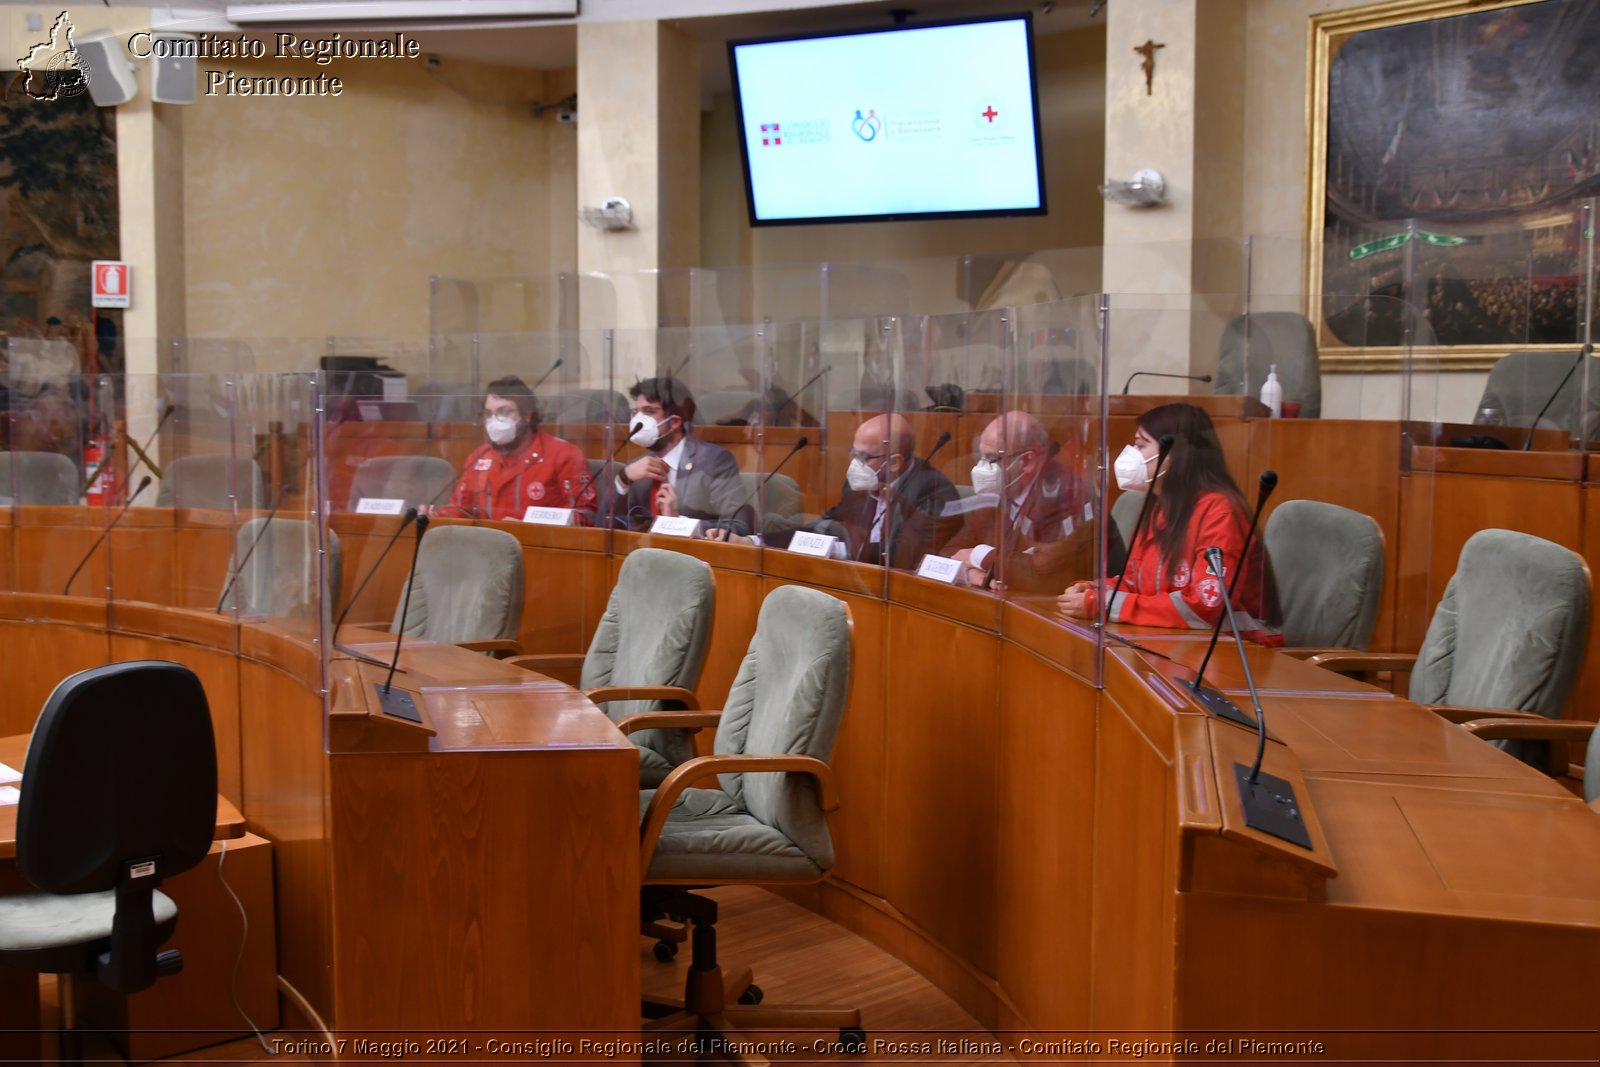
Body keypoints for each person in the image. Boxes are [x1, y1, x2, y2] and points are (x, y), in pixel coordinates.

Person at [1056, 402, 1281, 645]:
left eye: (1141, 445)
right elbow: (1135, 581)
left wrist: (1104, 604)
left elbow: (1205, 607)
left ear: (1175, 452)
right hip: (1181, 642)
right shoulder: (1160, 507)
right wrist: (1094, 590)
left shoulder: (1220, 511)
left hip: (1238, 651)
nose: (1130, 453)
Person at [706, 413, 958, 567]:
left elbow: (905, 556)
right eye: (853, 452)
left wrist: (836, 547)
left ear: (894, 461)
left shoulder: (934, 492)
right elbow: (830, 525)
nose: (854, 464)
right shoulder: (861, 480)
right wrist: (754, 542)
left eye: (864, 456)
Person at [943, 410, 1096, 594]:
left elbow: (1041, 576)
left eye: (991, 458)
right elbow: (948, 552)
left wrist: (977, 555)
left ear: (1027, 460)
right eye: (980, 458)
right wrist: (969, 573)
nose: (981, 469)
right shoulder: (997, 494)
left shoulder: (1066, 495)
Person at [434, 375, 596, 522]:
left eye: (503, 412)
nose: (494, 421)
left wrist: (529, 528)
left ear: (527, 415)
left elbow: (584, 514)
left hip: (540, 549)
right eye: (489, 414)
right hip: (487, 547)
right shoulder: (479, 457)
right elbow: (460, 509)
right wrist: (434, 517)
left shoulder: (563, 455)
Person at [610, 376, 750, 533]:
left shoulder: (714, 461)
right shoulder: (636, 467)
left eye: (649, 411)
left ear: (675, 421)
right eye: (636, 411)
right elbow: (603, 529)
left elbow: (739, 528)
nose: (638, 419)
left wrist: (677, 523)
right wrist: (623, 479)